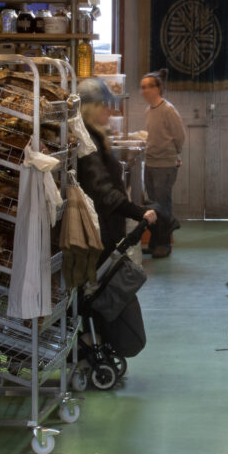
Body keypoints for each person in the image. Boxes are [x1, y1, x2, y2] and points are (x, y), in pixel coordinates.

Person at [74, 78, 158, 358]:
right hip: (98, 231)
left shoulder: (93, 138)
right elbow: (102, 190)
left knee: (99, 290)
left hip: (104, 229)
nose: (110, 111)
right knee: (97, 291)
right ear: (90, 108)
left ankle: (97, 340)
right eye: (104, 105)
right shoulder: (87, 144)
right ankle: (93, 341)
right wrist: (138, 211)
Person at [139, 72, 187, 257]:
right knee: (153, 205)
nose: (144, 91)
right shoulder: (149, 110)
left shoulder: (168, 110)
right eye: (142, 87)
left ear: (158, 88)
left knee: (163, 204)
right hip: (151, 162)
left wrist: (176, 155)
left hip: (165, 164)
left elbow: (179, 136)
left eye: (147, 87)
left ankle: (164, 244)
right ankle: (155, 242)